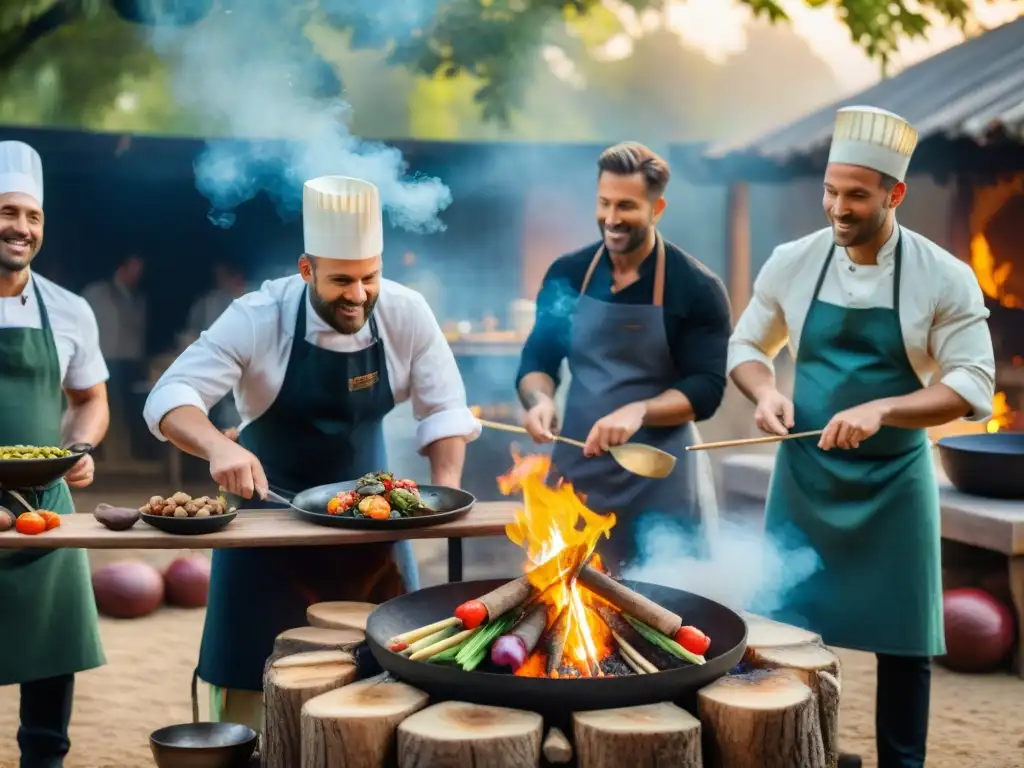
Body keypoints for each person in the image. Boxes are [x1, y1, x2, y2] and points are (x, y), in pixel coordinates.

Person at [143, 175, 480, 729]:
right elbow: (171, 398)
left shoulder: (406, 311)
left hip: (374, 522)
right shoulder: (258, 315)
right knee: (251, 680)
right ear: (306, 270)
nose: (358, 294)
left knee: (391, 680)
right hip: (266, 522)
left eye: (369, 277)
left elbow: (443, 411)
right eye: (342, 280)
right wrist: (213, 447)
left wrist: (443, 496)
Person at [727, 106, 995, 768]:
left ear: (894, 194)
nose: (837, 208)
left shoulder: (943, 275)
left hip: (895, 481)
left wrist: (886, 409)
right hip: (805, 476)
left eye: (855, 195)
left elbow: (974, 384)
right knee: (782, 636)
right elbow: (747, 344)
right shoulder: (794, 262)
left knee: (905, 645)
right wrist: (765, 392)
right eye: (829, 190)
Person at [515, 141, 731, 574]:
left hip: (661, 481)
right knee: (569, 610)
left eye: (627, 206)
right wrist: (539, 401)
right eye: (604, 203)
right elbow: (537, 360)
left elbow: (706, 389)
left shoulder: (696, 288)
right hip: (579, 472)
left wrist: (639, 410)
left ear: (658, 208)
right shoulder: (568, 275)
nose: (612, 219)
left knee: (664, 613)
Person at [0, 140, 110, 766]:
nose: (21, 228)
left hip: (44, 505)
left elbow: (90, 399)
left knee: (49, 665)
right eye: (8, 211)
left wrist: (79, 446)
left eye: (32, 216)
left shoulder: (68, 309)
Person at [82, 254, 147, 462]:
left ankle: (135, 452)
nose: (137, 275)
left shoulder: (137, 297)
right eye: (133, 269)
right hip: (104, 357)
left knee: (132, 407)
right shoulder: (96, 292)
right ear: (121, 269)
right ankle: (97, 452)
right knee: (102, 405)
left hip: (131, 358)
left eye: (140, 271)